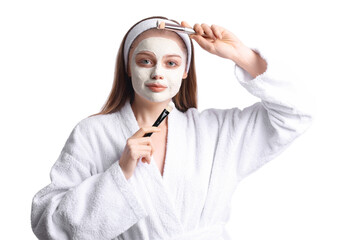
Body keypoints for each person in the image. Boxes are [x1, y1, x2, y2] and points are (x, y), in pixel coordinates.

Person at [31, 16, 313, 240]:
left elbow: (298, 113)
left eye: (171, 63)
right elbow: (49, 225)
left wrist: (242, 55)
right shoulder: (93, 133)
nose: (157, 73)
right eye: (145, 61)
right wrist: (121, 172)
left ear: (185, 70)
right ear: (129, 67)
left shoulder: (216, 132)